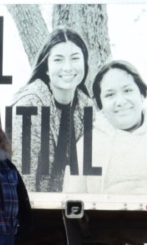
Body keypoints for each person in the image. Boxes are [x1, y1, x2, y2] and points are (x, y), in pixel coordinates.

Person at [11, 27, 94, 193]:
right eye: (58, 60)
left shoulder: (86, 105)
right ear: (46, 68)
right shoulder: (30, 103)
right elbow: (23, 175)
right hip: (40, 208)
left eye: (75, 58)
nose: (68, 67)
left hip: (74, 204)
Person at [87, 60, 147, 194]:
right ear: (100, 104)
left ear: (141, 94)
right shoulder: (87, 145)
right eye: (109, 95)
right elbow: (71, 200)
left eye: (128, 90)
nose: (120, 101)